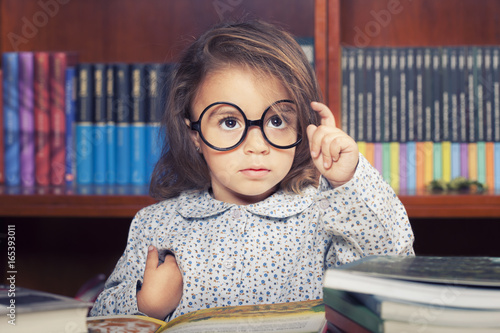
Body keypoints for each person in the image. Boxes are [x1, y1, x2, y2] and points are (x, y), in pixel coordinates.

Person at [90, 20, 414, 321]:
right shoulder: (157, 225)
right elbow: (101, 318)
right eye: (229, 122)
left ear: (301, 124)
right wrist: (147, 306)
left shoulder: (327, 213)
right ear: (195, 136)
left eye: (276, 121)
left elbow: (390, 265)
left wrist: (349, 178)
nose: (256, 145)